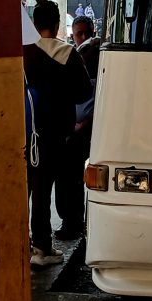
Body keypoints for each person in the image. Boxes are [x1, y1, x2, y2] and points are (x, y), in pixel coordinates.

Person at [23, 0, 93, 267]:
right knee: (48, 187)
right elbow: (84, 92)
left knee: (30, 189)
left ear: (35, 23)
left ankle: (30, 244)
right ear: (57, 24)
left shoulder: (25, 53)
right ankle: (42, 247)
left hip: (28, 131)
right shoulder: (68, 54)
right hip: (58, 132)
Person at [53, 15, 101, 240]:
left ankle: (73, 222)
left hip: (85, 127)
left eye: (85, 33)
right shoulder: (73, 55)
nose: (82, 37)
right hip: (73, 126)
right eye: (78, 33)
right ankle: (72, 221)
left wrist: (83, 123)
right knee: (69, 177)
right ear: (71, 34)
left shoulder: (93, 56)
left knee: (70, 177)